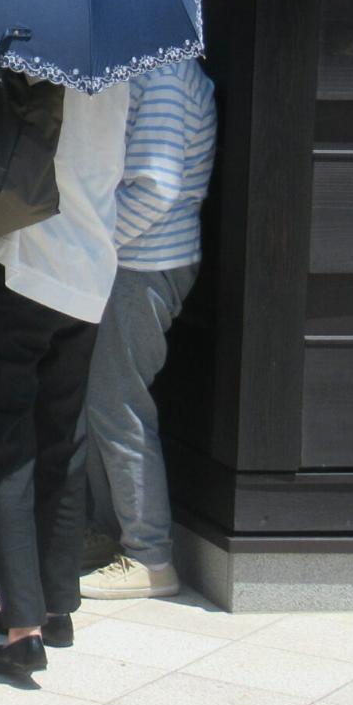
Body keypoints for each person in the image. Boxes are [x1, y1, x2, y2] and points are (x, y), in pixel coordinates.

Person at [0, 57, 130, 684]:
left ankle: (22, 632)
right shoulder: (114, 64)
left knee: (4, 441)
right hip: (87, 269)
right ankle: (52, 606)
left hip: (11, 260)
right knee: (62, 437)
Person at [77, 58, 217, 600]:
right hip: (131, 261)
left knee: (118, 403)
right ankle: (114, 535)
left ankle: (150, 555)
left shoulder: (163, 75)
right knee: (101, 401)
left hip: (144, 264)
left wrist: (92, 242)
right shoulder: (148, 69)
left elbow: (156, 187)